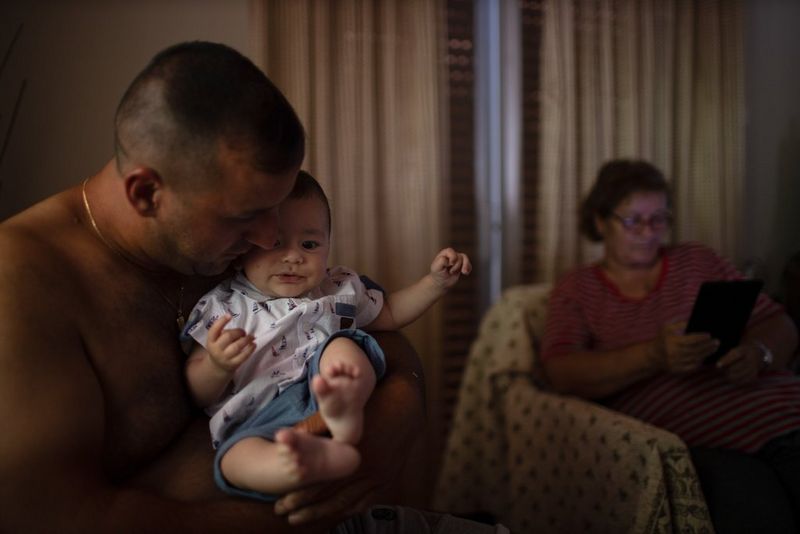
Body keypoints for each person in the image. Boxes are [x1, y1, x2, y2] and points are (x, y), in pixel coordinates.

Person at [0, 41, 501, 533]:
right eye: (247, 217)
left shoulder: (223, 241)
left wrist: (396, 417)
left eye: (277, 213)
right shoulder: (24, 282)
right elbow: (50, 517)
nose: (269, 241)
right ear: (148, 193)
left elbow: (361, 323)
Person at [540, 159, 800, 534]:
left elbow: (782, 323)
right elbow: (561, 372)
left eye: (659, 219)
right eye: (633, 220)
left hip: (783, 410)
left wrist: (759, 353)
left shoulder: (696, 259)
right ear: (600, 221)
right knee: (763, 518)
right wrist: (653, 355)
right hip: (708, 444)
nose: (648, 233)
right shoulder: (577, 289)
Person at [183, 171, 471, 502]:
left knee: (344, 345)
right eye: (276, 243)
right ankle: (294, 465)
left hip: (326, 390)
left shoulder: (337, 290)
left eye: (310, 244)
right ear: (243, 246)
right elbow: (197, 391)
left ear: (329, 245)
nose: (293, 256)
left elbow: (389, 312)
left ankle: (345, 406)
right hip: (258, 418)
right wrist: (216, 366)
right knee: (233, 460)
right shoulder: (223, 306)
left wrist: (434, 284)